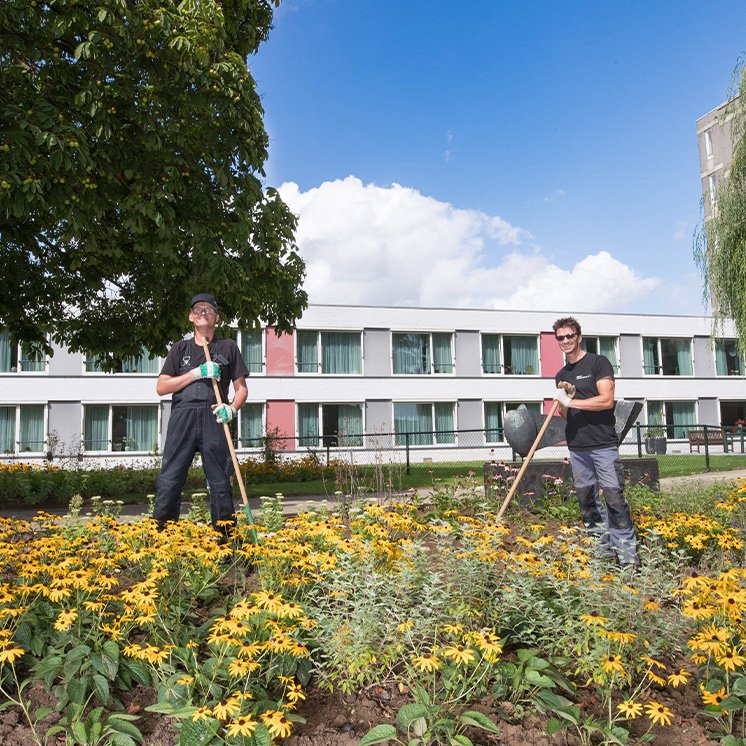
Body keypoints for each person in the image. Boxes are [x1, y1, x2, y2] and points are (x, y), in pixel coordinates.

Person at [153, 293, 249, 537]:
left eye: (208, 309)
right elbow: (161, 387)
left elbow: (241, 389)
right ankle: (163, 540)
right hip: (182, 418)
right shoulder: (179, 349)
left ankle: (225, 543)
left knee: (219, 482)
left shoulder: (227, 346)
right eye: (197, 309)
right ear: (190, 317)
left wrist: (232, 409)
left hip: (215, 417)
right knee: (169, 480)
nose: (202, 312)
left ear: (217, 317)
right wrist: (196, 374)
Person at [552, 316, 639, 567]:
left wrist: (572, 401)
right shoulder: (561, 374)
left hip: (603, 446)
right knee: (587, 504)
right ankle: (602, 558)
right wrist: (562, 402)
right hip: (578, 447)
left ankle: (628, 562)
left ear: (578, 336)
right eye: (561, 338)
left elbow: (606, 400)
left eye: (570, 336)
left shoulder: (598, 363)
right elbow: (565, 414)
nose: (566, 341)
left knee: (614, 500)